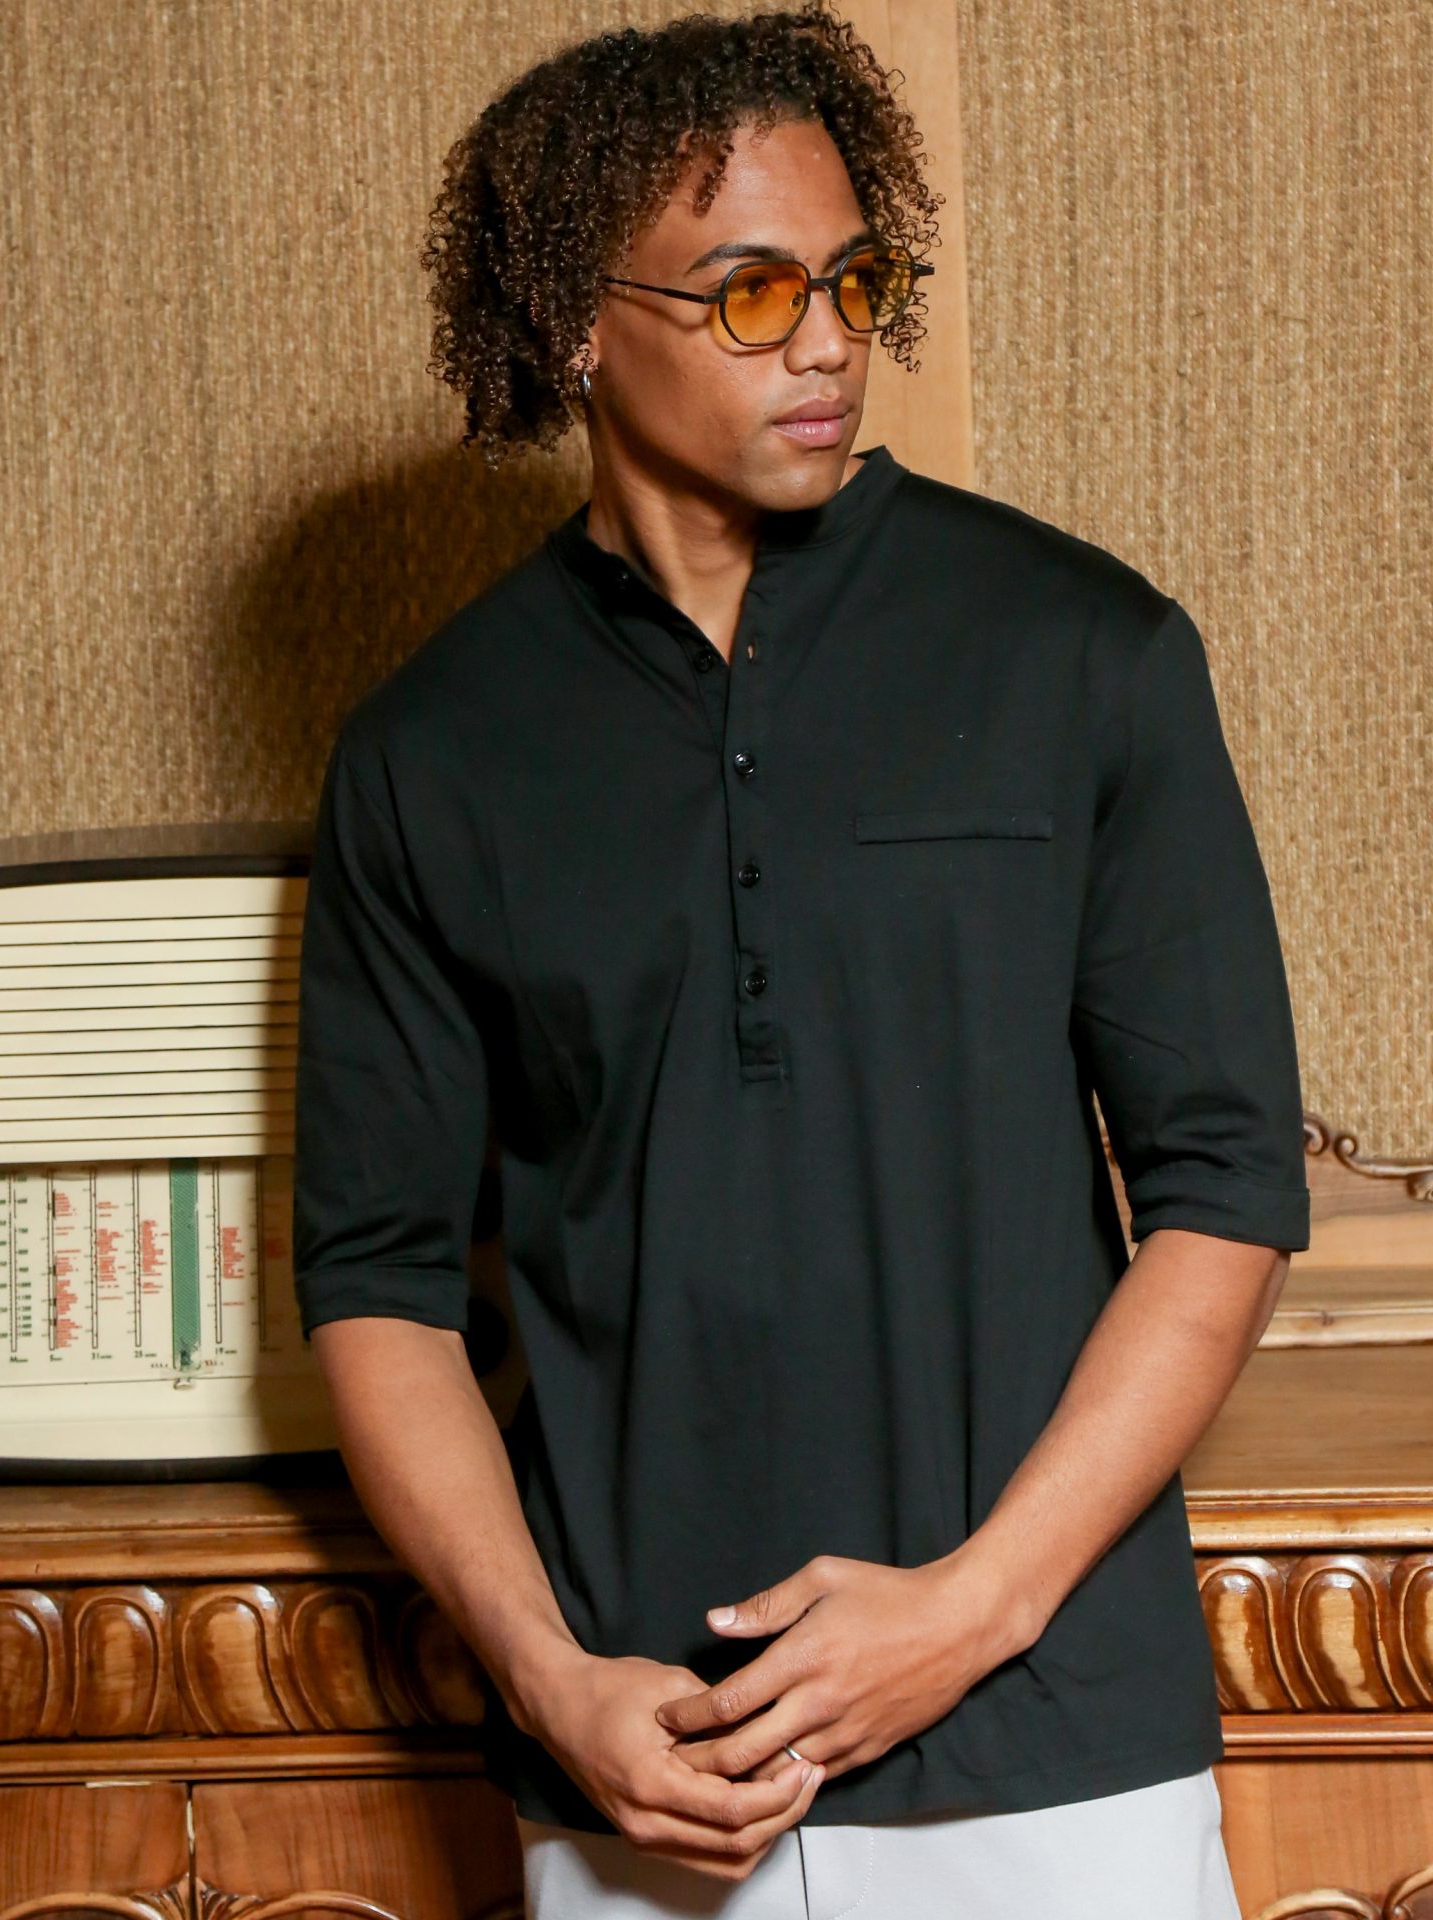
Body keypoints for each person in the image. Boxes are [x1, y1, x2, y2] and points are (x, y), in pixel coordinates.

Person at [292, 8, 1310, 1915]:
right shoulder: (431, 751)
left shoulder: (1081, 652)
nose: (830, 342)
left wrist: (974, 1610)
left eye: (856, 281)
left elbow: (1227, 1187)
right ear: (576, 321)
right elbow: (379, 1283)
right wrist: (552, 1684)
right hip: (647, 1769)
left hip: (1057, 1747)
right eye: (752, 293)